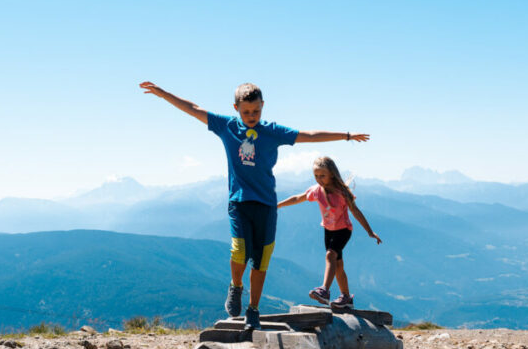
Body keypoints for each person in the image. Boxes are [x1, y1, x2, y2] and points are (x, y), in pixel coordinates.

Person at [139, 81, 369, 330]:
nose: (251, 116)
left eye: (256, 111)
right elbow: (193, 108)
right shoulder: (226, 126)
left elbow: (309, 135)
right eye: (246, 111)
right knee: (239, 251)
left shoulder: (272, 131)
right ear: (236, 107)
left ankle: (253, 310)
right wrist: (163, 94)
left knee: (261, 260)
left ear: (263, 106)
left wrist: (346, 136)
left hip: (266, 205)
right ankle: (236, 287)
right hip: (239, 202)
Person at [277, 156, 381, 310]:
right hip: (328, 231)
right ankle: (346, 297)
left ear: (332, 173)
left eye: (322, 175)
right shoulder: (317, 191)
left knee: (330, 256)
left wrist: (369, 231)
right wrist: (276, 206)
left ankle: (324, 290)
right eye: (316, 176)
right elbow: (297, 198)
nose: (319, 179)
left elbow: (356, 211)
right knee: (338, 265)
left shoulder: (342, 193)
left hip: (343, 230)